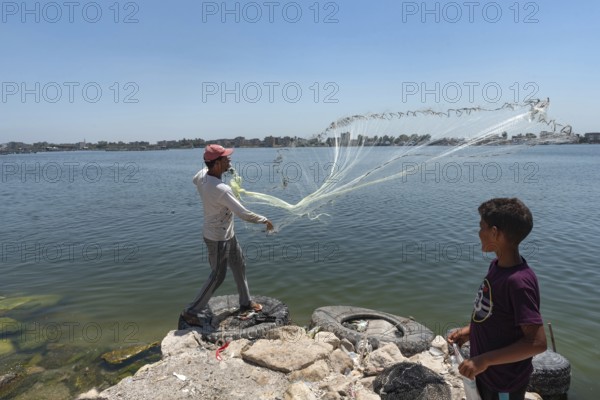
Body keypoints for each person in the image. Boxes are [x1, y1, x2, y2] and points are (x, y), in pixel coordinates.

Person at [448, 198, 547, 400]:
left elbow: (537, 343)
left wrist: (483, 360)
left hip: (505, 382)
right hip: (487, 373)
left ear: (495, 233)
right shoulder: (497, 266)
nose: (478, 232)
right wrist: (470, 331)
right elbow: (495, 314)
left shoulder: (519, 282)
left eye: (481, 227)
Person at [181, 144, 274, 326]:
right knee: (218, 275)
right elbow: (244, 214)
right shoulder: (221, 189)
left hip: (227, 235)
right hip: (217, 239)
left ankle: (245, 302)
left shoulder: (202, 176)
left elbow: (196, 179)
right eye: (226, 158)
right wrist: (265, 220)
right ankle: (192, 311)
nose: (229, 160)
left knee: (239, 265)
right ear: (216, 163)